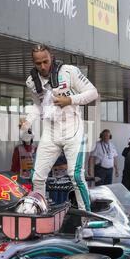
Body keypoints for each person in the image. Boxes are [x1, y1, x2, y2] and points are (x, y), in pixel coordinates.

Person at [20, 44, 98, 212]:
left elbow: (93, 93)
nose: (42, 66)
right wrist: (27, 121)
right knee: (37, 177)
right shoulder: (30, 81)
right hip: (50, 130)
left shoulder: (69, 71)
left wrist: (69, 100)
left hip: (73, 129)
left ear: (52, 58)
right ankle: (40, 216)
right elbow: (37, 106)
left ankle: (87, 218)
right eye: (38, 63)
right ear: (33, 63)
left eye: (45, 62)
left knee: (76, 176)